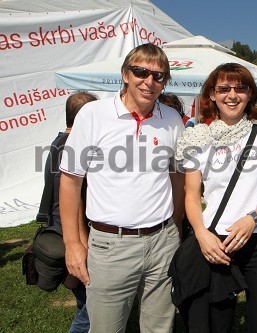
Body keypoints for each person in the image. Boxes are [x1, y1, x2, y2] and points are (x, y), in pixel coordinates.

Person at [59, 43, 185, 333]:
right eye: (141, 72)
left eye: (159, 76)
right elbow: (70, 181)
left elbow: (177, 177)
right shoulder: (93, 114)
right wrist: (73, 243)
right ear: (125, 74)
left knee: (160, 328)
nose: (149, 81)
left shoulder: (172, 119)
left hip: (163, 240)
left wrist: (175, 227)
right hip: (110, 245)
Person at [175, 62, 257, 333]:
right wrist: (201, 233)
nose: (232, 95)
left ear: (250, 95)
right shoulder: (196, 138)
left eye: (240, 88)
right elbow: (191, 194)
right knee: (216, 322)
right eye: (223, 88)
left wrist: (253, 218)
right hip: (215, 243)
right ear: (212, 95)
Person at [41, 91, 97, 333]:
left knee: (86, 304)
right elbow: (73, 201)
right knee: (90, 308)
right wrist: (81, 245)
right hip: (72, 232)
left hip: (64, 228)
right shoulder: (70, 147)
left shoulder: (59, 142)